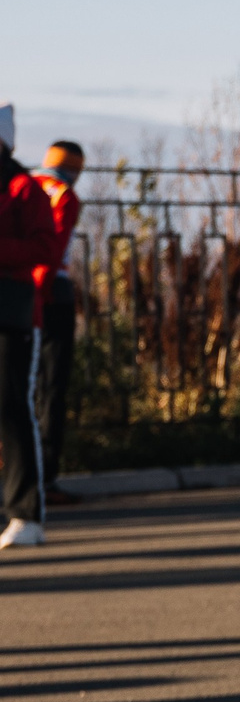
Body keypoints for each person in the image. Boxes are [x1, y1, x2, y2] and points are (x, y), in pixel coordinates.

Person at [0, 105, 64, 549]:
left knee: (11, 406)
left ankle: (26, 514)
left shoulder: (25, 188)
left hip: (12, 313)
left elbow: (47, 247)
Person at [33, 143, 82, 503]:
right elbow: (54, 247)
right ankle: (44, 477)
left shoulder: (23, 184)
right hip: (51, 292)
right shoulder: (63, 195)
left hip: (13, 289)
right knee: (52, 386)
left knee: (17, 385)